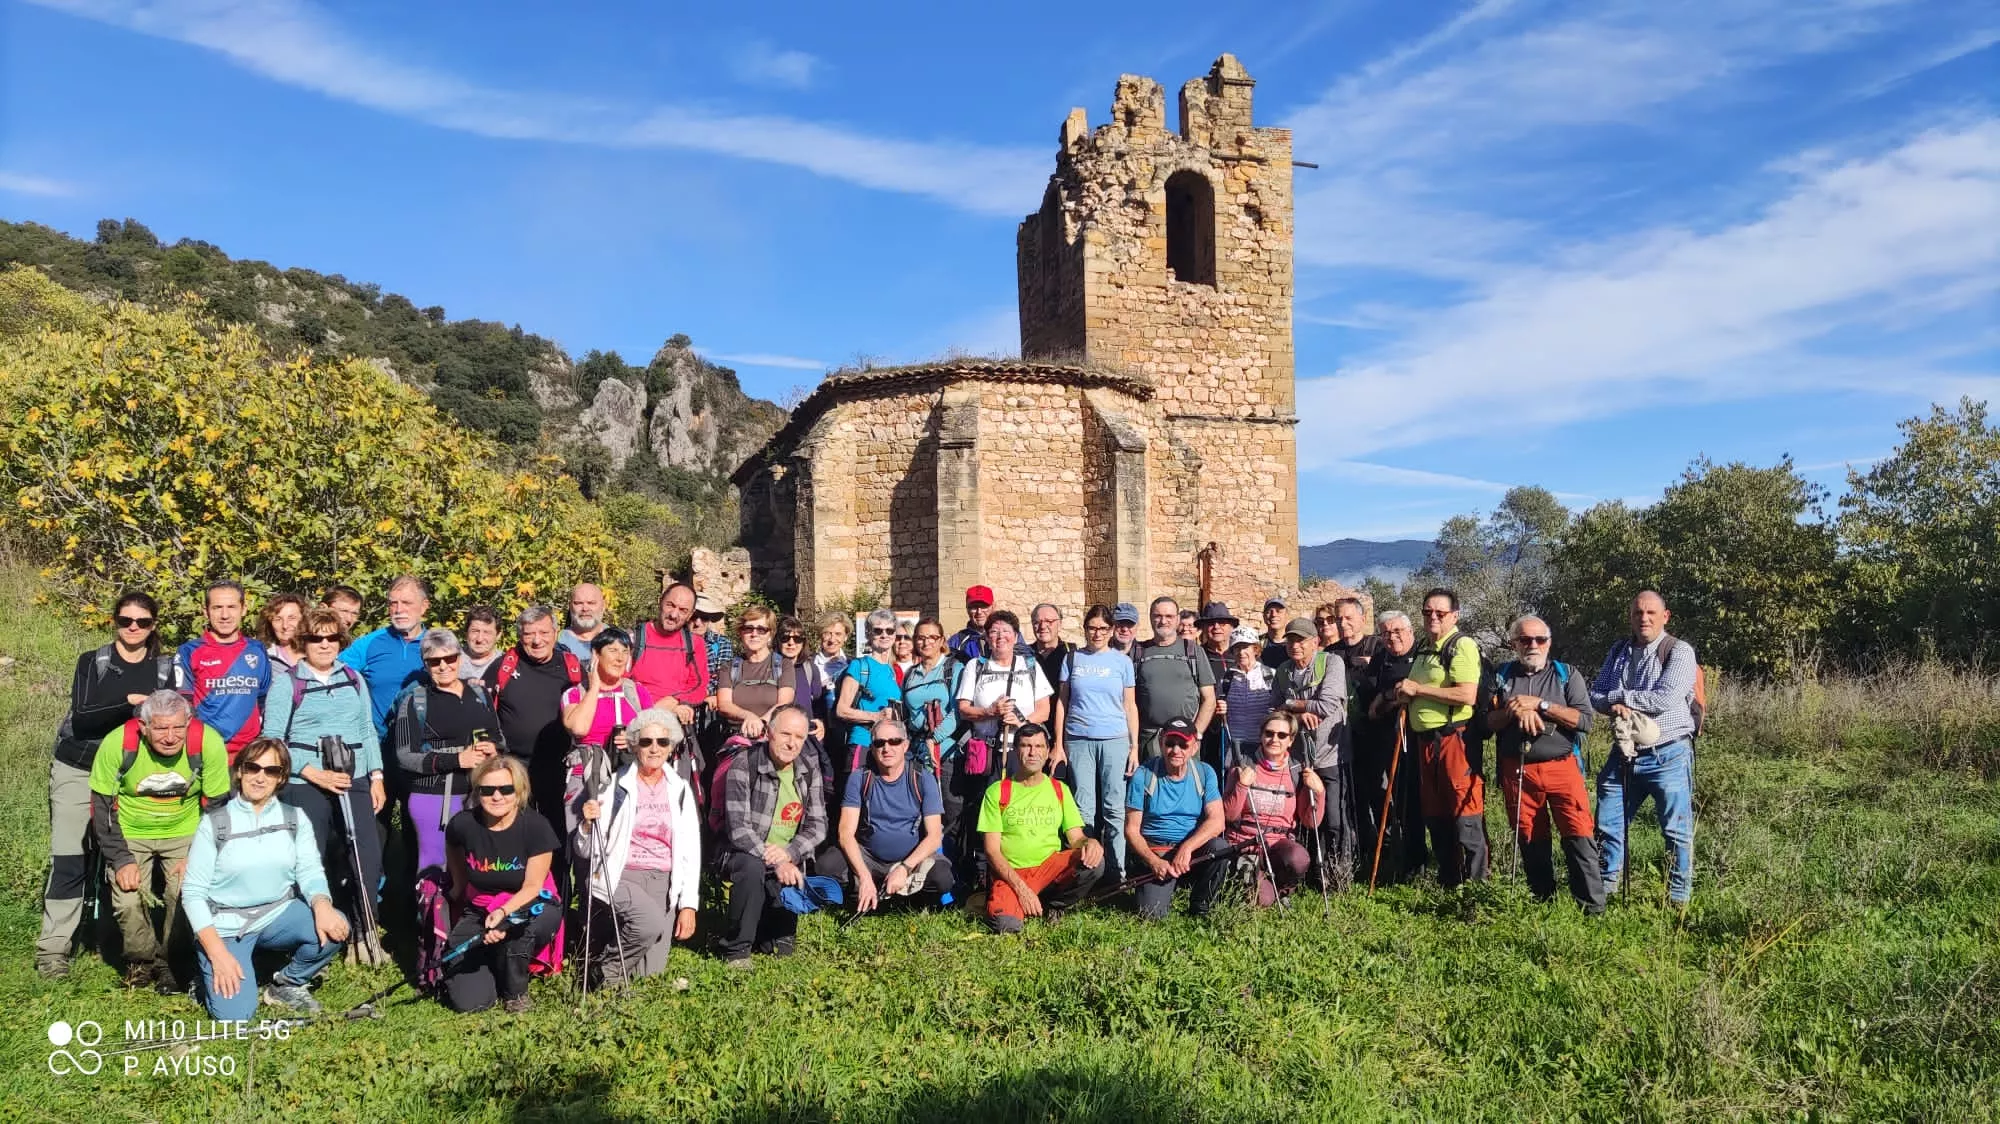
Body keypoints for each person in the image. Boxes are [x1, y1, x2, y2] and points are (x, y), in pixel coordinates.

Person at [39, 592, 174, 978]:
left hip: (132, 774)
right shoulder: (94, 661)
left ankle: (120, 944)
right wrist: (129, 701)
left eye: (143, 622)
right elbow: (83, 715)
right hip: (78, 768)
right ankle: (53, 950)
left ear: (153, 625)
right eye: (125, 620)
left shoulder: (165, 669)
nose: (133, 627)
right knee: (70, 858)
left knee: (125, 860)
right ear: (114, 621)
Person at [182, 738, 348, 1018]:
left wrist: (322, 905)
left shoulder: (295, 818)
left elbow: (310, 870)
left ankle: (287, 983)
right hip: (225, 925)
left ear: (281, 777)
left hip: (277, 912)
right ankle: (206, 977)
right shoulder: (214, 823)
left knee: (336, 926)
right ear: (239, 772)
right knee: (235, 1019)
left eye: (271, 771)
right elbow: (193, 893)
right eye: (252, 768)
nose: (260, 777)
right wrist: (218, 954)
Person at [262, 606, 387, 963]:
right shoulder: (289, 683)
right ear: (304, 640)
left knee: (366, 854)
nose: (325, 644)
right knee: (310, 857)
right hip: (306, 781)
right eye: (316, 637)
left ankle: (365, 932)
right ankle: (311, 934)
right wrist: (311, 771)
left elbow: (366, 730)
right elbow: (273, 738)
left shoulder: (352, 678)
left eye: (332, 637)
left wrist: (376, 776)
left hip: (354, 776)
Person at [90, 690, 231, 989]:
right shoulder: (117, 743)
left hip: (186, 830)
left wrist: (198, 854)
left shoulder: (208, 743)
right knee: (127, 898)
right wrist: (121, 859)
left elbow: (219, 808)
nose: (170, 737)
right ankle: (140, 961)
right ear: (143, 727)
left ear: (189, 724)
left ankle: (172, 961)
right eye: (161, 728)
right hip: (130, 831)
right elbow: (101, 809)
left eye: (178, 728)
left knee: (183, 892)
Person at [574, 707, 700, 987]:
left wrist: (688, 904)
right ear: (633, 745)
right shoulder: (615, 785)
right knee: (649, 924)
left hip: (663, 878)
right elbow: (585, 849)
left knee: (648, 975)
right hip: (622, 873)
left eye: (662, 742)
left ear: (671, 747)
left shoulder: (679, 789)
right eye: (646, 742)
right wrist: (585, 825)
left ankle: (610, 969)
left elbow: (691, 849)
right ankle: (603, 973)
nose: (654, 749)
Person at [1589, 591, 1699, 907]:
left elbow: (1664, 699)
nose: (1644, 618)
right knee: (1608, 822)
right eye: (1638, 612)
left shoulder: (1679, 652)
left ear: (1666, 616)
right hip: (1624, 752)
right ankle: (1604, 891)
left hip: (1669, 754)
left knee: (1676, 832)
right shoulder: (1619, 650)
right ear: (1631, 616)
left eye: (1651, 612)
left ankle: (1678, 901)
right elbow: (1596, 695)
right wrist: (1616, 702)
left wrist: (1619, 698)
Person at [1490, 616, 1605, 913]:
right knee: (1530, 837)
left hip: (1562, 767)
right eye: (1525, 640)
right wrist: (1514, 709)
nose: (1533, 645)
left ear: (1549, 642)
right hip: (1517, 770)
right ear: (1513, 643)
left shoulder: (1567, 674)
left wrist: (1539, 705)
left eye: (1540, 640)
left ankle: (1591, 908)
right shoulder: (1500, 676)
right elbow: (1485, 723)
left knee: (1578, 834)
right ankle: (1543, 903)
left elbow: (1584, 721)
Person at [442, 755, 562, 1013]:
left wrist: (504, 913)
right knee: (470, 1002)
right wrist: (458, 886)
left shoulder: (536, 826)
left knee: (517, 930)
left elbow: (532, 886)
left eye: (506, 789)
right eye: (488, 790)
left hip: (533, 903)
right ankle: (493, 963)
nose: (497, 796)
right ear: (478, 792)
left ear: (519, 792)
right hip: (481, 906)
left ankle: (515, 994)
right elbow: (452, 845)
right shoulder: (463, 824)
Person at [715, 706, 827, 967]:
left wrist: (790, 853)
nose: (792, 743)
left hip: (787, 854)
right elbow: (738, 829)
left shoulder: (809, 767)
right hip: (742, 852)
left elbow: (818, 824)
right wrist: (777, 861)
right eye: (786, 734)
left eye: (799, 737)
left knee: (780, 948)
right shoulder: (745, 763)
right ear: (769, 733)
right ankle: (737, 950)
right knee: (751, 868)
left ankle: (762, 925)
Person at [1395, 588, 1489, 887]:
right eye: (1427, 612)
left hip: (1455, 741)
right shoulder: (1425, 646)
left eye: (1440, 613)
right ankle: (1450, 882)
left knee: (1465, 813)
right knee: (1435, 814)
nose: (1432, 617)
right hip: (1425, 743)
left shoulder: (1461, 646)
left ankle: (1477, 888)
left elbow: (1467, 694)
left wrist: (1418, 691)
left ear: (1455, 616)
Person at [393, 628, 505, 874]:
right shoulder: (415, 701)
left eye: (450, 658)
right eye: (434, 661)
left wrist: (493, 748)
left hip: (481, 795)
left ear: (460, 658)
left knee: (480, 868)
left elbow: (498, 736)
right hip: (434, 796)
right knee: (436, 870)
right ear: (426, 665)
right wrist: (457, 759)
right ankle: (433, 913)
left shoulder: (479, 693)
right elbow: (404, 756)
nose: (443, 666)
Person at [978, 723, 1103, 933]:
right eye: (1026, 746)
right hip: (1012, 872)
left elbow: (1075, 838)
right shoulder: (997, 792)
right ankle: (1023, 901)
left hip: (1048, 867)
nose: (1032, 752)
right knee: (1005, 925)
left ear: (1047, 751)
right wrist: (1021, 889)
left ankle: (1054, 905)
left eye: (1038, 746)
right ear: (1016, 750)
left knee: (1093, 861)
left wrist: (1090, 842)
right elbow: (991, 851)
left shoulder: (1059, 789)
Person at [820, 718, 954, 913]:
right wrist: (864, 876)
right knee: (827, 866)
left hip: (910, 859)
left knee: (942, 878)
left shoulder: (923, 778)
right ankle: (862, 893)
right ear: (872, 748)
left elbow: (934, 837)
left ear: (906, 745)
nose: (886, 748)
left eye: (894, 742)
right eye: (879, 743)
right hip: (868, 857)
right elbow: (845, 833)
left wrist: (904, 868)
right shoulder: (859, 777)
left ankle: (913, 902)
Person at [1052, 604, 1138, 881]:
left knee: (1114, 807)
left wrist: (1134, 746)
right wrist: (1058, 743)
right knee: (1082, 807)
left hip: (1114, 738)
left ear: (1111, 630)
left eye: (1103, 628)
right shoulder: (1072, 659)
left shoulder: (1122, 662)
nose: (1097, 633)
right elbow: (1062, 703)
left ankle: (1117, 870)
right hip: (1079, 740)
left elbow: (1130, 706)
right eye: (1092, 628)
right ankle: (1085, 871)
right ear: (1085, 629)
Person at [484, 605, 583, 840]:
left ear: (556, 633)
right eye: (529, 634)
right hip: (514, 765)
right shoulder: (504, 666)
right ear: (520, 636)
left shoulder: (572, 667)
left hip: (559, 765)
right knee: (512, 830)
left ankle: (557, 877)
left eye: (544, 633)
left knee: (555, 831)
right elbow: (481, 711)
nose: (537, 641)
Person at [1272, 616, 1351, 888]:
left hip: (1330, 753)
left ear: (1315, 642)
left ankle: (1337, 875)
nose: (1295, 645)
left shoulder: (1331, 663)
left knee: (1333, 819)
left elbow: (1328, 703)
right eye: (1291, 640)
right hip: (1295, 758)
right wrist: (1299, 711)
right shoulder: (1283, 671)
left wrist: (1293, 704)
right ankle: (1302, 874)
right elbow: (1275, 712)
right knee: (1299, 816)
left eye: (1301, 640)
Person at [1123, 718, 1228, 920]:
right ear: (1161, 742)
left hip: (1191, 852)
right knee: (1151, 915)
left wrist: (1186, 848)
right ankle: (1162, 886)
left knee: (1221, 846)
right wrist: (1153, 861)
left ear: (1194, 747)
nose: (1176, 750)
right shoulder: (1143, 775)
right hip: (1157, 852)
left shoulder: (1205, 773)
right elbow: (1131, 830)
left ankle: (1201, 905)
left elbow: (1217, 821)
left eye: (1183, 744)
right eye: (1170, 743)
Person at [1223, 711, 1325, 906]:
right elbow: (1228, 815)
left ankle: (1281, 889)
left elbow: (1310, 821)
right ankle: (1258, 886)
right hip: (1246, 845)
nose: (1274, 739)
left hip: (1278, 846)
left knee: (1299, 858)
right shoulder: (1242, 766)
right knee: (1262, 901)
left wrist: (1319, 792)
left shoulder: (1297, 771)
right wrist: (1241, 785)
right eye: (1269, 733)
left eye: (1282, 735)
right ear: (1261, 736)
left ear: (1291, 740)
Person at [1355, 611, 1423, 881]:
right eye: (1385, 633)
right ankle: (1407, 862)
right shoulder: (1381, 659)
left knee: (1424, 802)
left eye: (1397, 631)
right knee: (1403, 802)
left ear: (1410, 632)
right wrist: (1388, 697)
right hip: (1389, 739)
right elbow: (1372, 702)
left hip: (1421, 737)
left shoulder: (1422, 654)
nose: (1392, 637)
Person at [562, 629, 656, 818]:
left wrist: (633, 739)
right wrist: (594, 686)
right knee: (584, 842)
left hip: (630, 774)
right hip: (585, 778)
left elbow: (654, 735)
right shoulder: (574, 694)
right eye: (613, 650)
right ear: (596, 654)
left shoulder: (637, 692)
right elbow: (579, 729)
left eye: (625, 651)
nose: (620, 658)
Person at [177, 579, 272, 761]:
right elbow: (183, 705)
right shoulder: (189, 651)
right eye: (217, 607)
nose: (225, 615)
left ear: (244, 609)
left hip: (250, 753)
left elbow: (264, 700)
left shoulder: (257, 650)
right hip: (207, 751)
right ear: (205, 612)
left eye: (232, 607)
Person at [341, 574, 431, 744]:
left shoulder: (437, 645)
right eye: (393, 603)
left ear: (424, 606)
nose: (398, 610)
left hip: (425, 747)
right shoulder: (370, 643)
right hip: (379, 747)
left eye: (406, 603)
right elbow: (329, 673)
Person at [1132, 597, 1216, 760]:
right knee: (1149, 784)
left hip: (1185, 740)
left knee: (1184, 784)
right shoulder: (1138, 652)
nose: (1163, 621)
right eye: (1158, 616)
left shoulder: (1193, 651)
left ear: (1177, 619)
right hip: (1149, 739)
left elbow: (1209, 699)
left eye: (1169, 616)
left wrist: (1196, 734)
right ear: (1150, 618)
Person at [629, 583, 711, 741]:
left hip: (674, 725)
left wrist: (675, 701)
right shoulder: (635, 639)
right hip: (636, 722)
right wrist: (652, 710)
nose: (674, 614)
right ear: (660, 601)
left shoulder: (694, 644)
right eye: (670, 605)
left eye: (683, 610)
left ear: (690, 614)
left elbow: (699, 685)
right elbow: (619, 682)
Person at [836, 608, 905, 778]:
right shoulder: (860, 666)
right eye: (878, 631)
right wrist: (876, 716)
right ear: (868, 634)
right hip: (863, 742)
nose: (884, 635)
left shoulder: (892, 671)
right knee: (856, 798)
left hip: (886, 747)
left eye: (889, 630)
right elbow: (841, 710)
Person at [716, 604, 796, 740]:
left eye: (761, 629)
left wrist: (762, 722)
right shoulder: (729, 667)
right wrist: (748, 716)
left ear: (770, 634)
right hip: (737, 738)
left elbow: (784, 703)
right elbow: (724, 704)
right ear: (741, 633)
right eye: (748, 628)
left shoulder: (783, 665)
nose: (754, 634)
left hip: (770, 739)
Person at [1194, 602, 1239, 771]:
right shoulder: (1197, 656)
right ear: (1204, 628)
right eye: (1211, 623)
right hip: (1206, 730)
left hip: (1238, 729)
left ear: (1231, 627)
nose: (1216, 627)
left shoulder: (1241, 654)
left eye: (1222, 623)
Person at [775, 616, 830, 742]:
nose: (791, 643)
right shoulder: (770, 668)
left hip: (806, 737)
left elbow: (817, 703)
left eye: (797, 639)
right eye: (785, 638)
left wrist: (821, 722)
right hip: (778, 736)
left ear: (803, 642)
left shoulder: (810, 668)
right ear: (777, 641)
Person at [1219, 636, 1276, 752]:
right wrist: (1220, 711)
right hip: (1233, 746)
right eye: (1237, 648)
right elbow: (1218, 720)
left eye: (1245, 647)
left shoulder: (1271, 675)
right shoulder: (1226, 678)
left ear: (1255, 649)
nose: (1241, 652)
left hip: (1263, 745)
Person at [255, 592, 308, 675]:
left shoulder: (317, 652)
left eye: (292, 618)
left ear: (304, 620)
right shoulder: (262, 658)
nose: (285, 626)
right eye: (278, 619)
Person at [558, 582, 609, 666]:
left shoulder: (618, 639)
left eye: (591, 603)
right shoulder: (558, 642)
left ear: (603, 606)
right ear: (570, 606)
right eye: (578, 603)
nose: (585, 608)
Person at [1028, 603, 1072, 695]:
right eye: (1037, 622)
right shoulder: (1025, 654)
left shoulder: (1071, 652)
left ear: (1059, 624)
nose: (1043, 626)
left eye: (1049, 621)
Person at [695, 594, 734, 692]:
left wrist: (701, 694)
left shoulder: (721, 643)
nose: (697, 623)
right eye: (693, 617)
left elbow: (723, 679)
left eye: (704, 617)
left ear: (710, 619)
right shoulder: (674, 643)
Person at [948, 585, 993, 662]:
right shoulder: (956, 641)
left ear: (993, 607)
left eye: (984, 606)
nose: (979, 612)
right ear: (967, 609)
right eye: (974, 607)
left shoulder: (1007, 637)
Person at [460, 605, 502, 680]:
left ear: (498, 635)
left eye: (487, 632)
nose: (479, 639)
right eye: (475, 631)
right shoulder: (451, 661)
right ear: (466, 633)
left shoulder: (506, 665)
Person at [1259, 597, 1290, 669]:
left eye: (1278, 611)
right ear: (1264, 616)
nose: (1274, 615)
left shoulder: (1294, 645)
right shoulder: (1257, 643)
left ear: (1287, 615)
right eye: (1269, 611)